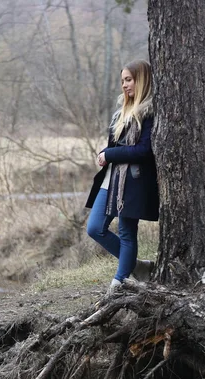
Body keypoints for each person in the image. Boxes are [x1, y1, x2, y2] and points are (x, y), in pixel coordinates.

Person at [84, 59, 159, 292]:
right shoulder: (120, 114)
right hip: (111, 180)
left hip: (133, 181)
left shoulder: (149, 112)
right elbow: (115, 148)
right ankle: (137, 266)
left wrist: (109, 153)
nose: (124, 85)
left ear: (142, 80)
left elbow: (144, 150)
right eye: (122, 81)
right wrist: (108, 155)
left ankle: (119, 282)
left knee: (127, 232)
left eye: (129, 80)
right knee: (95, 227)